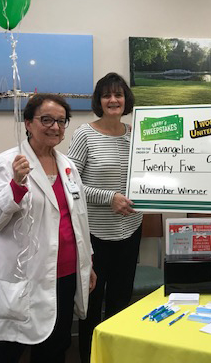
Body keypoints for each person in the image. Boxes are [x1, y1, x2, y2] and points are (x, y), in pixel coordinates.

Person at [0, 94, 96, 363]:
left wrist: (88, 263)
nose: (55, 127)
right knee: (6, 351)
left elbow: (78, 219)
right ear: (28, 123)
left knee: (55, 348)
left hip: (64, 275)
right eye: (46, 120)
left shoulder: (68, 167)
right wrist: (15, 186)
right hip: (24, 277)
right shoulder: (7, 163)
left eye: (61, 121)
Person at [67, 72, 143, 363]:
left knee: (120, 302)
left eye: (118, 95)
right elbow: (69, 184)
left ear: (126, 100)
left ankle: (114, 356)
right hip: (95, 235)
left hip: (130, 231)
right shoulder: (85, 134)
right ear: (99, 101)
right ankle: (90, 356)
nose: (113, 100)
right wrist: (108, 197)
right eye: (107, 95)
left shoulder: (136, 135)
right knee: (92, 305)